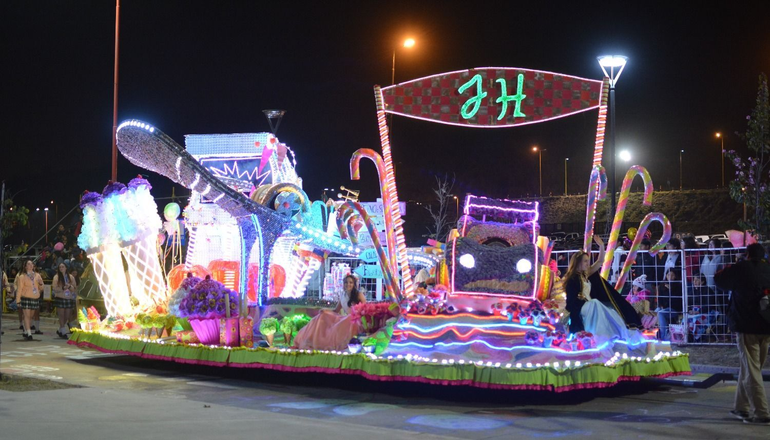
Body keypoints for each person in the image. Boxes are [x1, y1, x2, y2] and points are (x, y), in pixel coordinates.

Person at [715, 243, 770, 425]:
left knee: (752, 370)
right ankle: (741, 407)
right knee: (751, 367)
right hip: (766, 325)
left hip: (746, 324)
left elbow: (719, 280)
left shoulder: (741, 268)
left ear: (747, 254)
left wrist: (737, 263)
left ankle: (761, 412)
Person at [564, 235, 642, 343]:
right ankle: (600, 337)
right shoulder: (572, 278)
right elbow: (571, 299)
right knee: (596, 304)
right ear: (578, 263)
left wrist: (601, 246)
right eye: (585, 261)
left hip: (590, 305)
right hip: (582, 307)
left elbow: (600, 262)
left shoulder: (586, 274)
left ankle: (612, 335)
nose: (588, 263)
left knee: (610, 311)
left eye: (588, 261)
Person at [293, 274, 366, 350]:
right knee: (322, 316)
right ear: (343, 284)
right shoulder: (343, 295)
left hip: (355, 321)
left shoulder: (359, 294)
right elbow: (336, 311)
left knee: (342, 324)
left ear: (354, 284)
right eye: (346, 282)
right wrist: (326, 311)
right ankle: (311, 339)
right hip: (346, 319)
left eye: (351, 282)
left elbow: (365, 308)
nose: (348, 284)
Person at [15, 260, 45, 340]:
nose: (30, 265)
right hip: (25, 297)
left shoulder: (37, 275)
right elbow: (19, 289)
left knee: (31, 316)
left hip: (35, 297)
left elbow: (42, 288)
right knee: (26, 315)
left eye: (32, 264)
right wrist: (18, 300)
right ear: (25, 267)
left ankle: (25, 329)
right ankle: (29, 333)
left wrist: (41, 283)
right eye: (28, 264)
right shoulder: (22, 277)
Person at [656, 268, 684, 341]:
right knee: (656, 311)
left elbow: (676, 301)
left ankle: (663, 336)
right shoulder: (662, 285)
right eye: (668, 275)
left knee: (661, 313)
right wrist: (661, 306)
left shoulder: (678, 286)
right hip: (664, 308)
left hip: (674, 309)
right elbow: (660, 299)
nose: (670, 277)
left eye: (672, 275)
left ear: (675, 276)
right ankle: (656, 333)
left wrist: (670, 290)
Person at [52, 263, 77, 338]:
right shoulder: (56, 277)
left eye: (63, 267)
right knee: (61, 315)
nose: (61, 268)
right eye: (60, 267)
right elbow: (54, 288)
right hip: (60, 297)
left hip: (68, 298)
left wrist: (69, 286)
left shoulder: (71, 277)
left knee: (67, 315)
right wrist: (62, 288)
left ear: (66, 268)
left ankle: (60, 329)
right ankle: (63, 331)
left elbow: (74, 288)